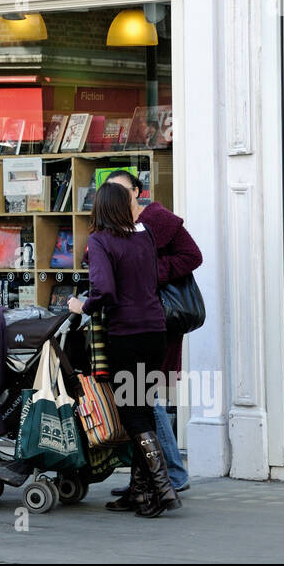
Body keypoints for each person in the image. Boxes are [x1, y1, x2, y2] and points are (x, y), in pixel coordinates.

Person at [68, 181, 181, 518]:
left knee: (132, 414)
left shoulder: (100, 240)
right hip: (154, 330)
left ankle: (162, 488)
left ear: (100, 208)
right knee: (143, 409)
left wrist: (80, 306)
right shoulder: (145, 236)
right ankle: (142, 493)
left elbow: (104, 290)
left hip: (126, 334)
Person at [105, 169, 201, 495]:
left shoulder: (159, 219)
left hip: (157, 319)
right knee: (140, 398)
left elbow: (192, 256)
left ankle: (171, 473)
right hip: (131, 319)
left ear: (137, 190)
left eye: (122, 190)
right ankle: (148, 477)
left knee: (145, 398)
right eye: (110, 190)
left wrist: (151, 273)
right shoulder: (114, 227)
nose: (117, 196)